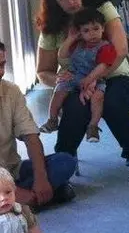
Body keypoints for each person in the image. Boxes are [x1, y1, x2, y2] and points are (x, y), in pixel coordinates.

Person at [36, 0, 129, 185]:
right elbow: (43, 72)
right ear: (54, 2)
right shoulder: (51, 27)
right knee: (74, 106)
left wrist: (93, 79)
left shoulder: (100, 7)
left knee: (112, 101)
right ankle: (62, 164)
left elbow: (121, 49)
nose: (70, 1)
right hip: (77, 82)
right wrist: (62, 79)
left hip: (117, 74)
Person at [0, 42, 77, 208]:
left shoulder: (10, 91)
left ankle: (18, 202)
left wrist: (41, 179)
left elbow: (31, 136)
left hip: (12, 171)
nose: (0, 72)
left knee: (65, 162)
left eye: (2, 65)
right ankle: (28, 199)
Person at [39, 7, 118, 144]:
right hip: (74, 76)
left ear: (103, 28)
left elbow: (103, 66)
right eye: (86, 31)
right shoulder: (77, 45)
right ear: (80, 33)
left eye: (95, 29)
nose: (92, 34)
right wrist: (70, 39)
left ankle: (93, 126)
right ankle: (52, 120)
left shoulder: (105, 46)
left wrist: (89, 80)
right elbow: (62, 55)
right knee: (59, 91)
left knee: (98, 97)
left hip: (95, 79)